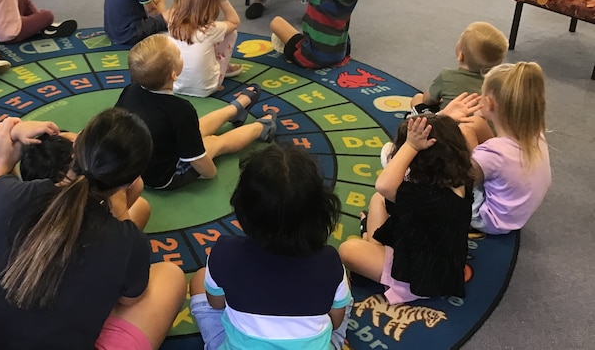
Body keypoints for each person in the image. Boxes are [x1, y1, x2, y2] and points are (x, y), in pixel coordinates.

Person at [0, 110, 185, 350]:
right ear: (131, 180)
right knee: (171, 277)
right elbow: (129, 299)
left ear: (75, 147)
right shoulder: (128, 241)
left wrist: (3, 165)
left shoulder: (1, 191)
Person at [190, 143, 352, 350]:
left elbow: (216, 304)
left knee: (198, 280)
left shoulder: (224, 252)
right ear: (320, 209)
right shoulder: (329, 261)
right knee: (342, 286)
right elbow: (335, 321)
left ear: (243, 207)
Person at [339, 114, 473, 304]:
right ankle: (373, 245)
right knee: (379, 200)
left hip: (421, 275)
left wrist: (411, 145)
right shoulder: (458, 178)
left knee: (348, 250)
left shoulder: (428, 198)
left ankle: (372, 247)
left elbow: (384, 185)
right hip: (425, 245)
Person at [115, 34, 278, 190]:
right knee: (213, 142)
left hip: (136, 165)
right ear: (173, 75)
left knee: (193, 128)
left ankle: (235, 109)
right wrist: (210, 173)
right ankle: (262, 127)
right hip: (162, 177)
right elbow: (197, 159)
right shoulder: (180, 109)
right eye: (179, 54)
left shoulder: (130, 90)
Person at [470, 62, 551, 234]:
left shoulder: (493, 154)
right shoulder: (537, 134)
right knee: (475, 124)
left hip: (488, 220)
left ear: (489, 103)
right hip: (516, 214)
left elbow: (462, 179)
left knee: (464, 130)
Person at [168, 0, 242, 97]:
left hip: (174, 84)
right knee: (231, 32)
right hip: (206, 88)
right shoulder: (211, 29)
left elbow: (176, 7)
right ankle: (222, 67)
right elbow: (234, 22)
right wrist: (223, 0)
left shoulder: (172, 20)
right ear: (211, 5)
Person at [411, 21, 509, 113]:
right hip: (480, 128)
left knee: (418, 98)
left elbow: (428, 100)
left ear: (461, 55)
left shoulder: (446, 76)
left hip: (448, 126)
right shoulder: (499, 85)